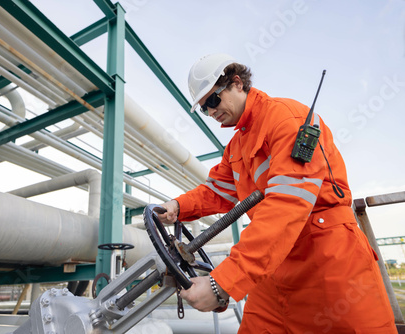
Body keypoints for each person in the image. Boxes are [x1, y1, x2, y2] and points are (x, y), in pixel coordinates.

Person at [157, 53, 397, 333]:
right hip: (274, 266)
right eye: (203, 109)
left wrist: (221, 283)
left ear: (236, 83)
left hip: (327, 260)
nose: (211, 112)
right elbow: (216, 191)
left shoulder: (287, 119)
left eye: (212, 100)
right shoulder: (237, 145)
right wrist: (177, 206)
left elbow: (288, 206)